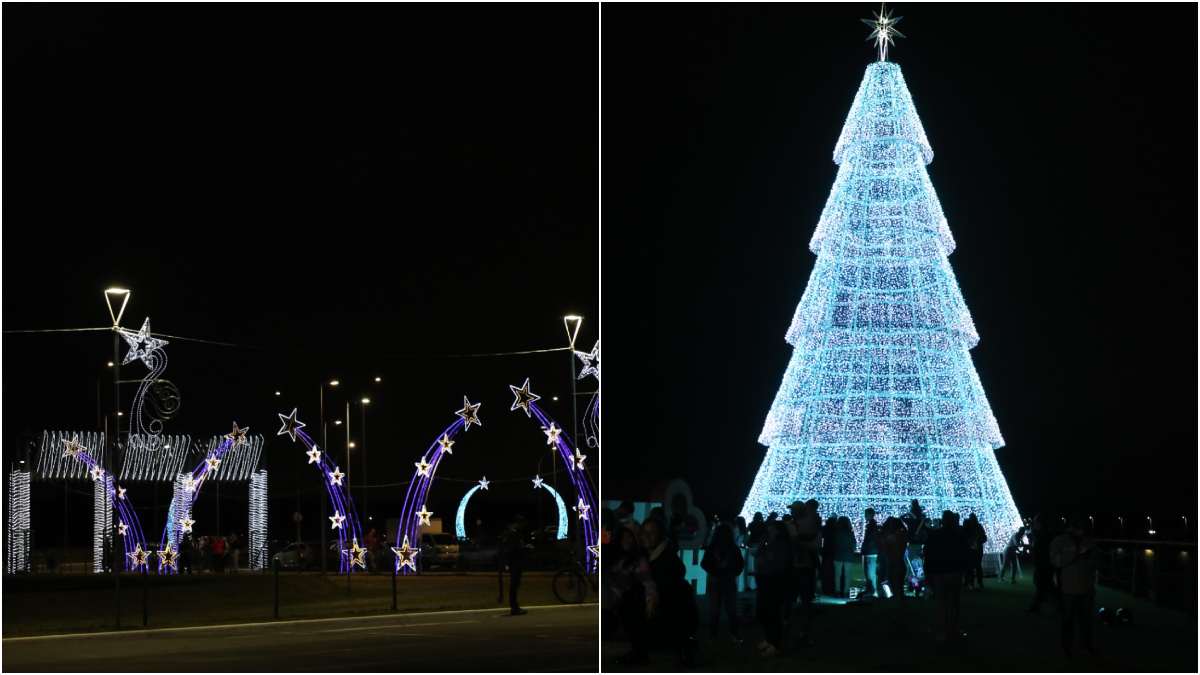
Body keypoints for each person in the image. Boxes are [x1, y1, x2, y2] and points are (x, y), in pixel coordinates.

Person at [641, 518, 699, 667]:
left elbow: (670, 585)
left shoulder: (666, 558)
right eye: (645, 532)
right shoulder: (648, 555)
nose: (647, 536)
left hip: (671, 608)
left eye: (652, 533)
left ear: (660, 534)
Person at [1051, 515, 1097, 657]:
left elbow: (1096, 562)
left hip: (1087, 588)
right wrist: (1075, 553)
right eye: (1077, 526)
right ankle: (1067, 648)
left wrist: (1088, 558)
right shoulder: (1059, 541)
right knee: (1068, 620)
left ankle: (1086, 646)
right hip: (1068, 589)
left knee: (1086, 620)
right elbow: (1056, 561)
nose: (1080, 530)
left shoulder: (1089, 542)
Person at [612, 525, 655, 665]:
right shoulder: (620, 558)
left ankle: (639, 656)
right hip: (625, 601)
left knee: (636, 630)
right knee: (631, 630)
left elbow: (647, 581)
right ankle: (637, 654)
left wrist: (650, 601)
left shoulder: (638, 558)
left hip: (635, 601)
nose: (627, 540)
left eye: (630, 537)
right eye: (624, 537)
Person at [924, 510, 968, 640]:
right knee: (954, 602)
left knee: (941, 602)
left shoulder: (935, 535)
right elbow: (964, 553)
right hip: (954, 572)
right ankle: (953, 629)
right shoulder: (959, 535)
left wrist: (928, 574)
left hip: (940, 572)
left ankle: (942, 630)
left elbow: (929, 555)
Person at [752, 521, 792, 657]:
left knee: (772, 613)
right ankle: (769, 639)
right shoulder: (769, 542)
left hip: (774, 581)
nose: (768, 529)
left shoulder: (781, 545)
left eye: (771, 527)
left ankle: (775, 644)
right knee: (764, 612)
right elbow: (758, 554)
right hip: (765, 580)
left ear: (777, 530)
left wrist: (767, 560)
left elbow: (777, 563)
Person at [701, 522, 744, 642]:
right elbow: (740, 564)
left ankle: (713, 635)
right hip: (728, 581)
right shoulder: (733, 548)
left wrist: (715, 571)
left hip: (715, 581)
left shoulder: (712, 548)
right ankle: (734, 634)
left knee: (715, 610)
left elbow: (704, 563)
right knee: (731, 609)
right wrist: (732, 572)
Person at [788, 499, 821, 647]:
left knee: (805, 600)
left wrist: (797, 542)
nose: (791, 512)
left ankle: (804, 632)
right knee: (792, 600)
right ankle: (794, 630)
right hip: (794, 566)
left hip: (804, 567)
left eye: (793, 510)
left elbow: (813, 544)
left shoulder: (805, 525)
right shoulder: (792, 525)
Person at [1028, 515, 1060, 613]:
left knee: (1042, 584)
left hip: (1044, 563)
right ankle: (1038, 605)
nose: (1034, 524)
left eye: (1036, 522)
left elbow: (1043, 549)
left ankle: (1037, 606)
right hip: (1042, 563)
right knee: (1044, 584)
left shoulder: (1044, 535)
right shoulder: (1041, 534)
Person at [501, 515, 530, 615]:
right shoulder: (512, 534)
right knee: (514, 585)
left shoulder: (513, 533)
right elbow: (511, 549)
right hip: (515, 562)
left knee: (515, 585)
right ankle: (514, 607)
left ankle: (514, 606)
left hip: (515, 561)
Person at [902, 500, 928, 596]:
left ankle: (914, 585)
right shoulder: (921, 520)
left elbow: (901, 518)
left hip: (912, 544)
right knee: (919, 566)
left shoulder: (910, 521)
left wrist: (907, 514)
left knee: (911, 566)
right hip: (920, 544)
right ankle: (919, 585)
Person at [880, 517, 908, 601]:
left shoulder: (891, 537)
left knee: (891, 586)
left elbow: (884, 546)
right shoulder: (903, 535)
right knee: (899, 588)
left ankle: (892, 602)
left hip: (892, 564)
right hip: (900, 563)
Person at [832, 516, 857, 598]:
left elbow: (834, 544)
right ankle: (846, 591)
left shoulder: (836, 532)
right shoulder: (850, 533)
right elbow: (854, 545)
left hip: (838, 555)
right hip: (848, 556)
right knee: (847, 575)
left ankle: (837, 591)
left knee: (837, 575)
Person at [963, 514, 986, 590]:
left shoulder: (974, 527)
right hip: (974, 549)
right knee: (975, 566)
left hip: (975, 549)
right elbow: (984, 537)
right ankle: (976, 583)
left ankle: (973, 583)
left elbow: (984, 537)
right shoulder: (975, 526)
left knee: (973, 567)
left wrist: (977, 541)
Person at [861, 508, 880, 597]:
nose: (864, 516)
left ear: (870, 515)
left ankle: (872, 591)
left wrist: (865, 548)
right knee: (870, 573)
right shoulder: (872, 525)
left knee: (870, 573)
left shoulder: (871, 526)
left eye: (866, 514)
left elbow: (870, 540)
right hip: (871, 552)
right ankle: (871, 590)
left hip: (870, 552)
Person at [820, 513, 838, 596]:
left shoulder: (825, 528)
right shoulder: (837, 528)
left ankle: (825, 588)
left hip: (826, 551)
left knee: (826, 570)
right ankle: (832, 587)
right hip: (834, 552)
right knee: (833, 571)